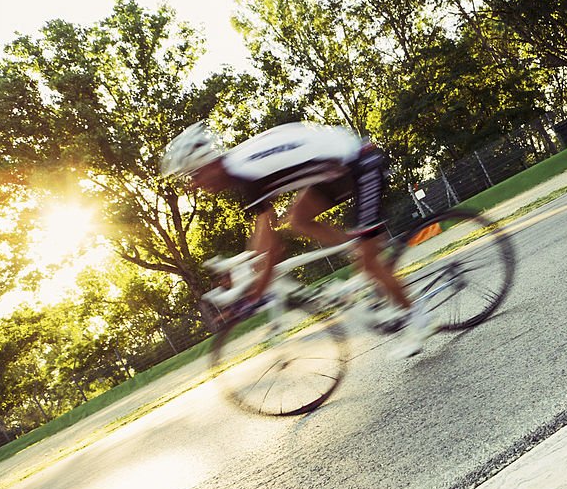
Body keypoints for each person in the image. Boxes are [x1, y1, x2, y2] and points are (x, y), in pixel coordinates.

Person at [160, 120, 430, 357]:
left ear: (208, 165)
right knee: (298, 219)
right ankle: (362, 251)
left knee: (370, 262)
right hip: (337, 170)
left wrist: (253, 295)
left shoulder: (245, 171)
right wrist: (249, 270)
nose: (194, 184)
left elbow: (273, 246)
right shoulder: (238, 167)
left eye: (194, 175)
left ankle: (418, 318)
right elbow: (264, 231)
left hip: (361, 164)